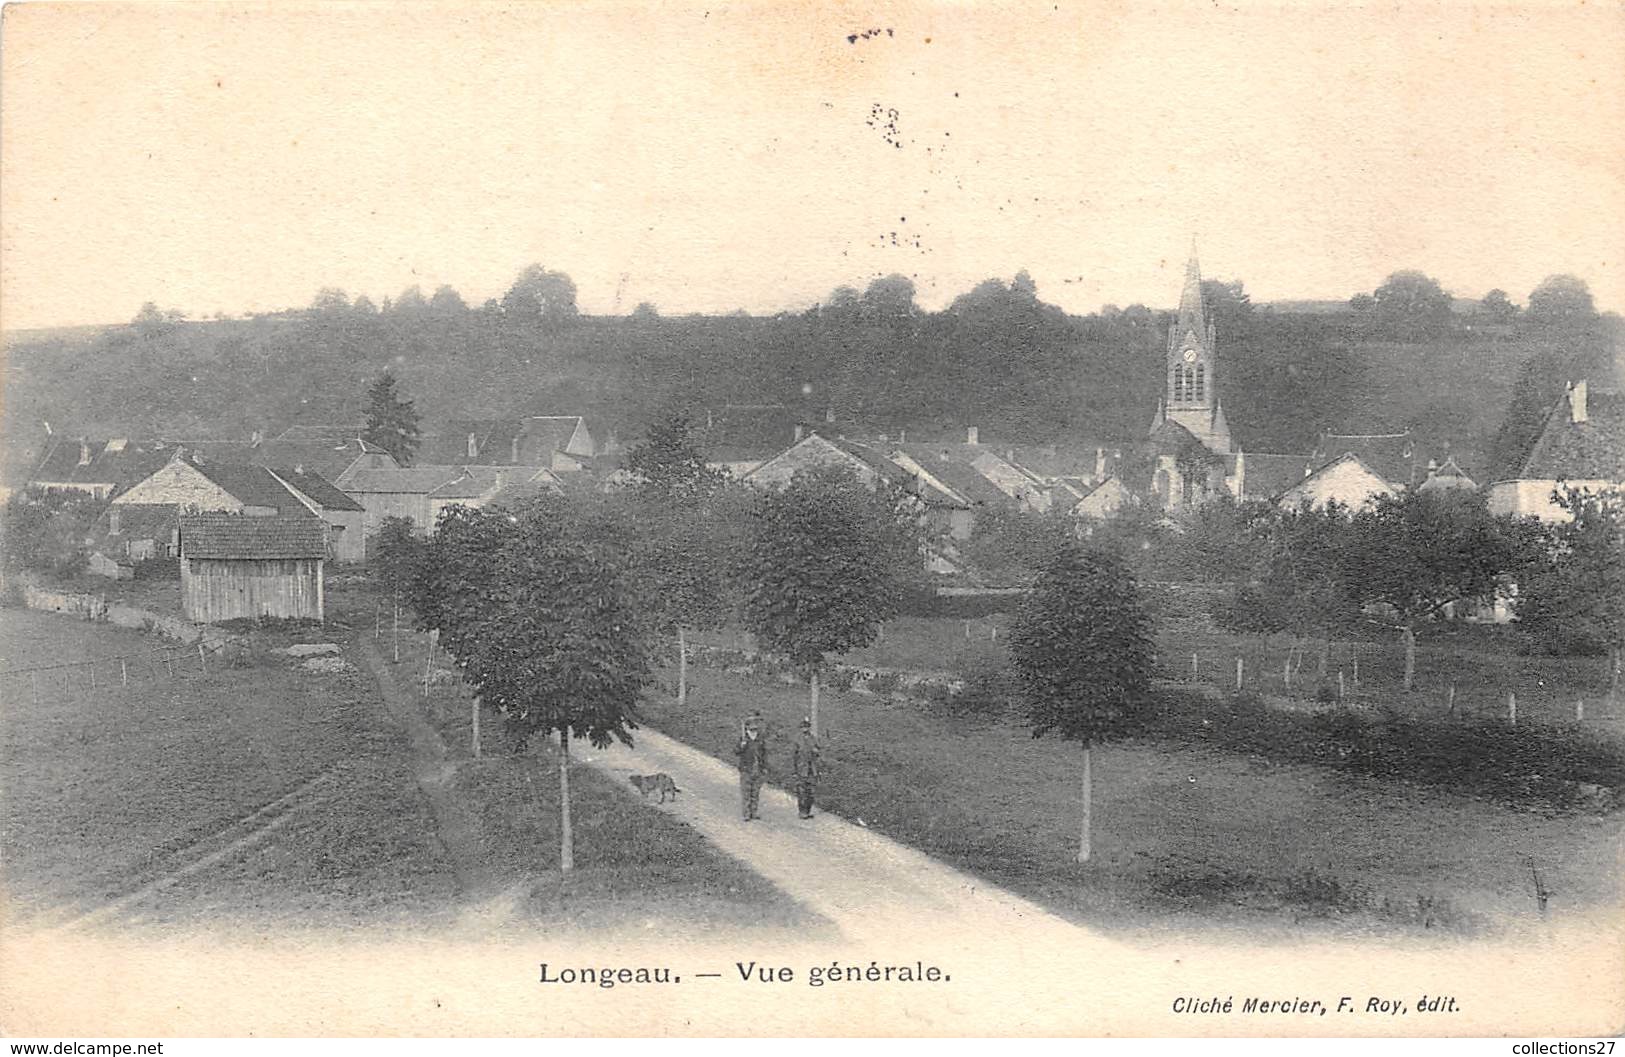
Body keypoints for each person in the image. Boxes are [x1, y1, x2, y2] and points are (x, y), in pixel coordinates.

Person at [735, 710, 768, 821]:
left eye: (755, 727)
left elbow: (764, 754)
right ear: (747, 728)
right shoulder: (743, 739)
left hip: (757, 769)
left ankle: (754, 812)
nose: (754, 729)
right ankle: (746, 813)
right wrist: (741, 746)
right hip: (746, 769)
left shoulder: (760, 739)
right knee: (746, 792)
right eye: (752, 727)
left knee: (755, 792)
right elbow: (736, 752)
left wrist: (764, 767)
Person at [791, 717, 821, 819]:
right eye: (803, 727)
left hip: (812, 769)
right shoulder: (797, 739)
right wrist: (794, 771)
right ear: (801, 728)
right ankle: (802, 811)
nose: (805, 729)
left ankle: (808, 811)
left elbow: (818, 751)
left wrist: (816, 751)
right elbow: (794, 755)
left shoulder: (813, 738)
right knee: (802, 791)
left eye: (807, 727)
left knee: (811, 792)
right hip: (801, 769)